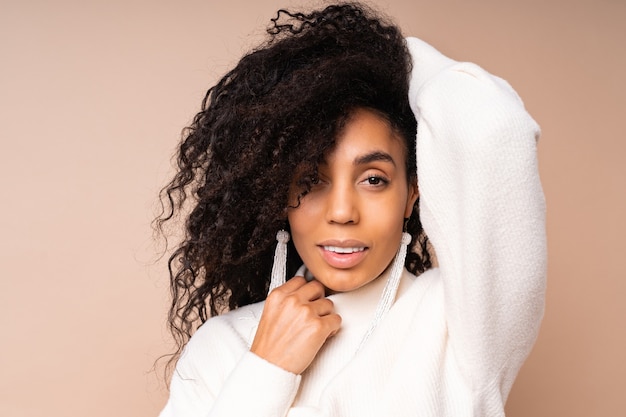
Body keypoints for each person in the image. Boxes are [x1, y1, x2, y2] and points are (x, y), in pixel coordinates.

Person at [157, 3, 546, 416]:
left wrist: (392, 60)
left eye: (373, 179)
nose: (342, 212)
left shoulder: (460, 323)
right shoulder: (225, 345)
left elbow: (495, 129)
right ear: (280, 194)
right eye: (312, 180)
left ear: (413, 191)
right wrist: (267, 369)